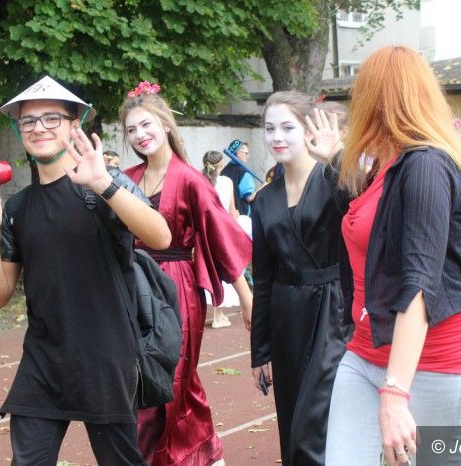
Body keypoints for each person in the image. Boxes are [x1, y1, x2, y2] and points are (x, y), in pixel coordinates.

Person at [0, 76, 172, 465]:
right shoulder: (17, 208)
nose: (39, 128)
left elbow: (160, 236)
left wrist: (102, 183)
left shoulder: (105, 185)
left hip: (106, 357)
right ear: (19, 129)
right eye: (28, 121)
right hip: (43, 359)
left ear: (74, 125)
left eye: (52, 118)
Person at [326, 46, 461, 466]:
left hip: (437, 362)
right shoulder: (387, 165)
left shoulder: (426, 165)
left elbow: (419, 284)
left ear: (376, 98)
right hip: (366, 351)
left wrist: (396, 392)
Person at [120, 81, 252, 466]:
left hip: (175, 286)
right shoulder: (126, 176)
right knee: (139, 382)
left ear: (165, 124)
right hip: (132, 288)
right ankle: (198, 453)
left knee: (172, 379)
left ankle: (174, 456)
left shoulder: (191, 180)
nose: (140, 134)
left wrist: (247, 298)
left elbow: (222, 238)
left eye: (146, 124)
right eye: (131, 129)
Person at [250, 90, 350, 465]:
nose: (277, 137)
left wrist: (338, 157)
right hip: (285, 318)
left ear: (309, 129)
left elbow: (365, 213)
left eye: (287, 127)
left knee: (314, 430)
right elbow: (263, 277)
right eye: (269, 128)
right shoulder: (264, 199)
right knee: (292, 425)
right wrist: (260, 351)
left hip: (333, 315)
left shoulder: (336, 180)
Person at [202, 150, 253, 329]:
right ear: (221, 165)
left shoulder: (200, 181)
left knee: (211, 270)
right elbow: (231, 211)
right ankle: (218, 315)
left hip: (205, 232)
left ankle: (217, 313)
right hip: (223, 231)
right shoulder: (226, 182)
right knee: (226, 269)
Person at [221, 140, 258, 216]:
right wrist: (264, 187)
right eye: (246, 153)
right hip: (242, 216)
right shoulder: (244, 173)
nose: (248, 156)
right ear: (239, 154)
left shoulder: (224, 170)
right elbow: (249, 198)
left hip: (226, 214)